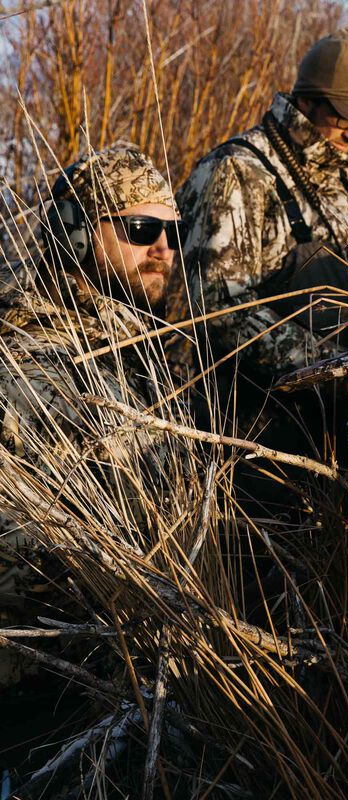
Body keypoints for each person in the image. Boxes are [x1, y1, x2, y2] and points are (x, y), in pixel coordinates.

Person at [0, 144, 188, 687]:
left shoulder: (125, 347)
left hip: (113, 675)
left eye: (172, 232)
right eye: (138, 228)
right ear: (78, 233)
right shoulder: (31, 358)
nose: (161, 249)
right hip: (41, 691)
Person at [176, 28, 348, 455]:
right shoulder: (238, 172)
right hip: (249, 430)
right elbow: (218, 308)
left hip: (336, 426)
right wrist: (333, 368)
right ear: (306, 101)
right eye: (345, 116)